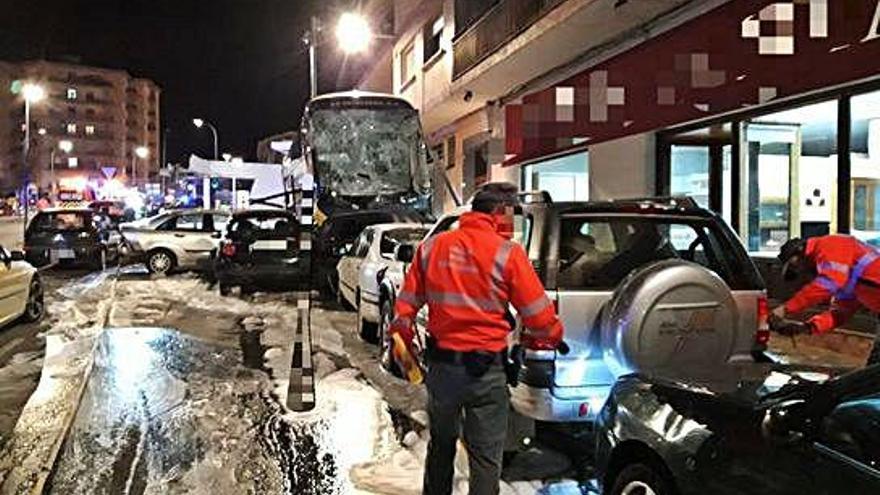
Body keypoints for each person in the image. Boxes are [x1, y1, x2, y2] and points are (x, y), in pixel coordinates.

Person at [389, 182, 564, 495]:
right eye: (513, 215)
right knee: (485, 457)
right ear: (498, 213)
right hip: (486, 373)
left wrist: (402, 340)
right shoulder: (508, 254)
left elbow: (405, 308)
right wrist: (553, 335)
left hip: (442, 370)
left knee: (441, 447)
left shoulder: (432, 248)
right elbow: (538, 316)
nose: (515, 223)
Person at [772, 235, 880, 366]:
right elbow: (840, 313)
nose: (801, 272)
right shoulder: (848, 276)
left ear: (801, 251)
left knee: (874, 370)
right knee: (873, 369)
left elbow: (828, 284)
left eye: (795, 266)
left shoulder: (829, 245)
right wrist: (807, 328)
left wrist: (785, 309)